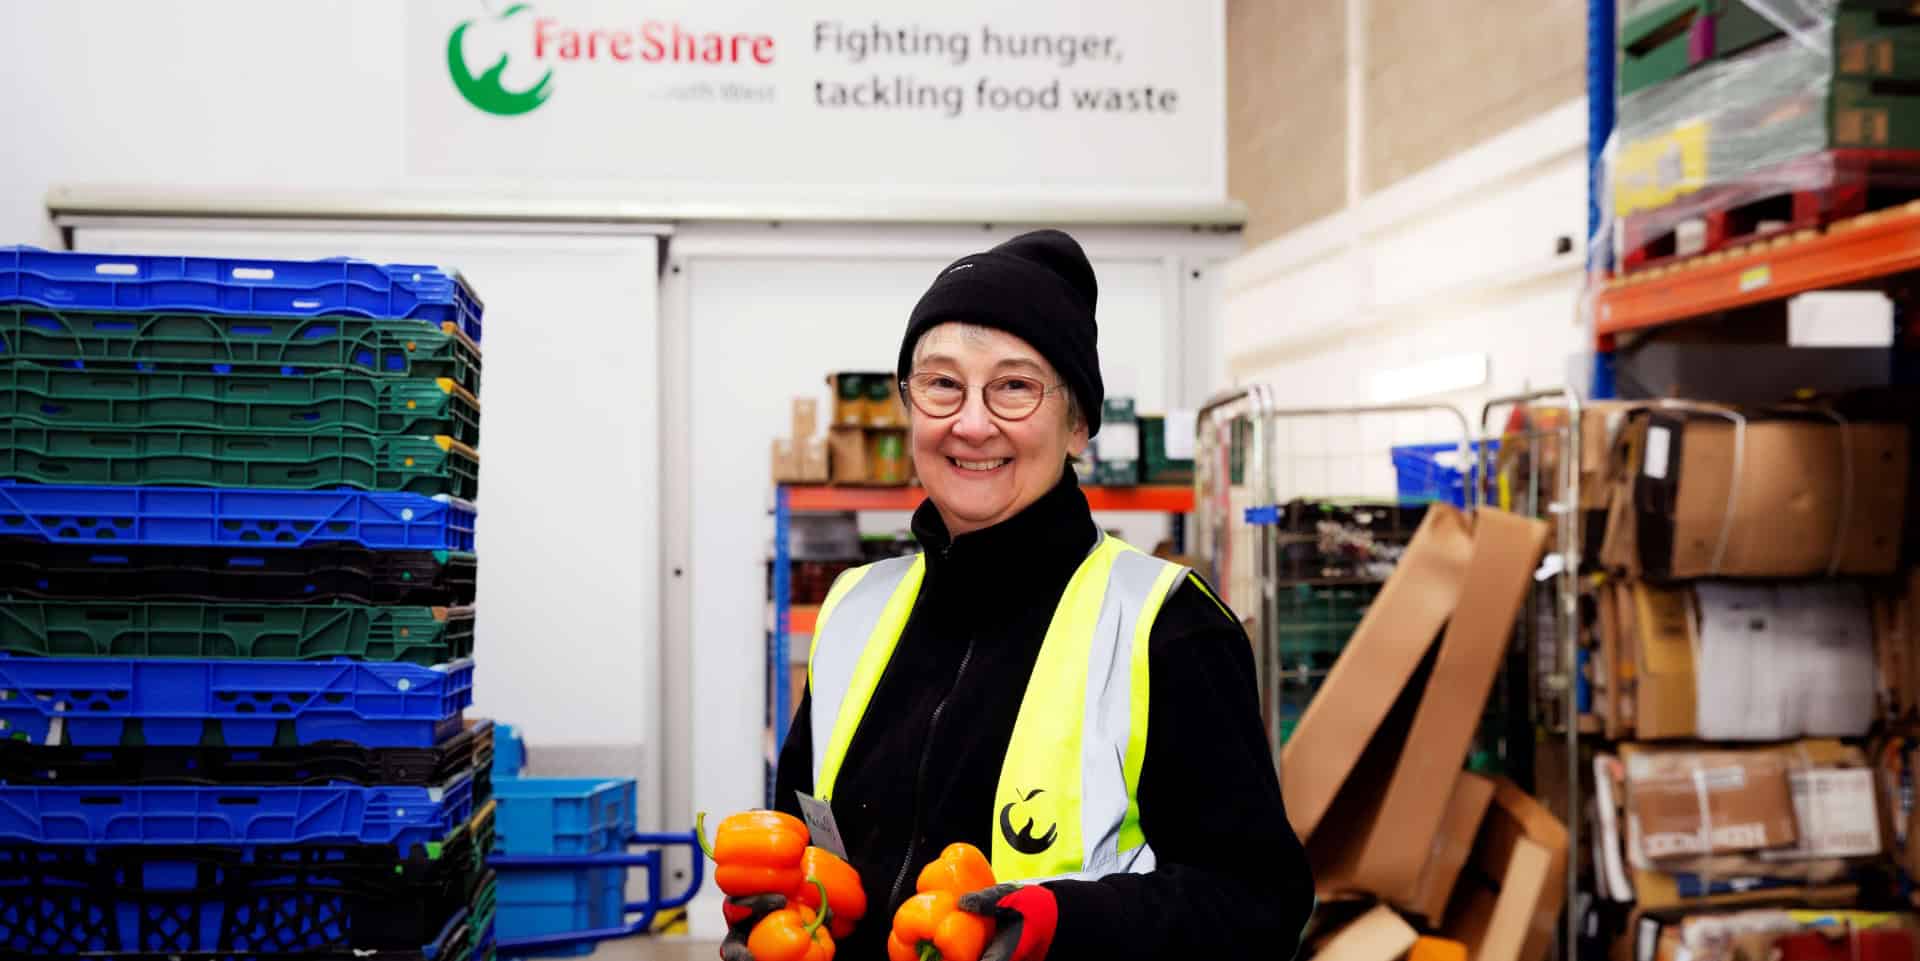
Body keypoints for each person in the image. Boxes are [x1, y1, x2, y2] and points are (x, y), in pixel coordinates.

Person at [733, 229, 1315, 960]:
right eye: (943, 383)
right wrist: (778, 914)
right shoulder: (856, 610)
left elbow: (1260, 902)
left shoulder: (1166, 627)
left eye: (1014, 386)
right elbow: (809, 847)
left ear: (1077, 425)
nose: (971, 423)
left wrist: (1066, 926)